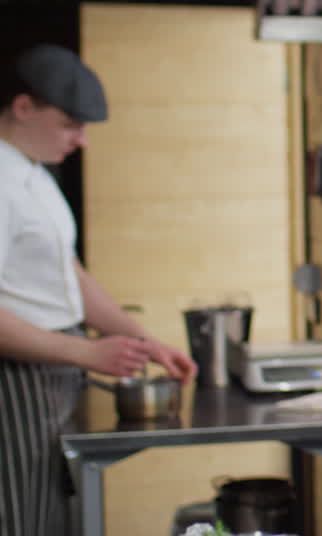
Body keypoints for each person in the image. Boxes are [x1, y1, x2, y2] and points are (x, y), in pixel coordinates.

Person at [0, 43, 197, 536]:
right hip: (15, 382)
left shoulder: (34, 175)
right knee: (20, 519)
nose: (82, 140)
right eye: (71, 124)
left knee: (51, 515)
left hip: (51, 375)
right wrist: (86, 352)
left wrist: (142, 341)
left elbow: (71, 277)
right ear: (24, 108)